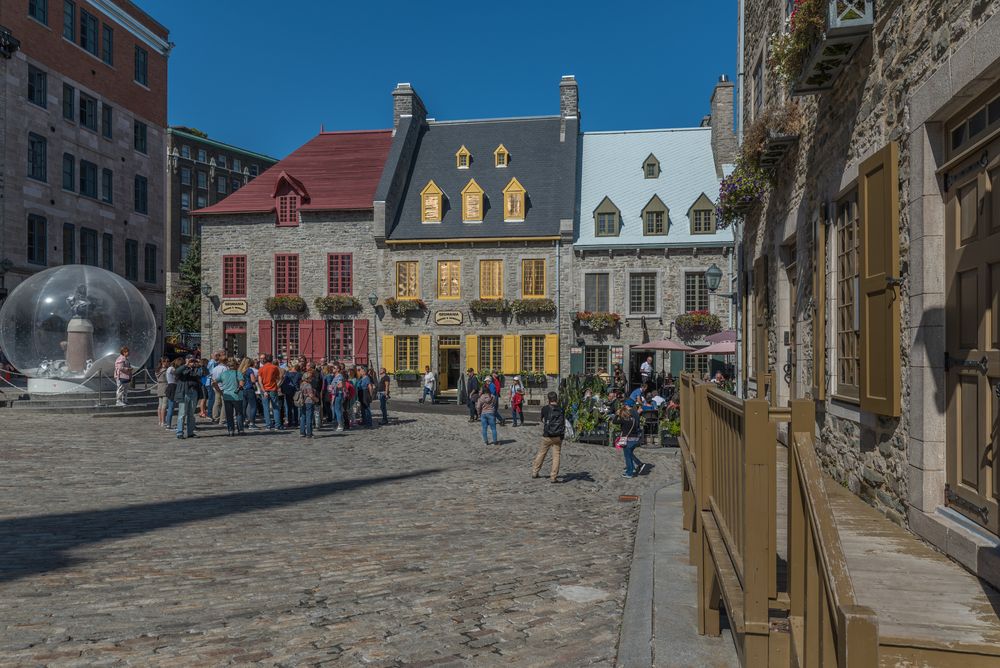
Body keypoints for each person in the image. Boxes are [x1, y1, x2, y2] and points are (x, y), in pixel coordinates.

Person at [533, 391, 565, 483]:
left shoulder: (545, 408)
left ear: (548, 399)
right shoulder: (561, 409)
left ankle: (535, 472)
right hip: (558, 435)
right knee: (556, 456)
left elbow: (542, 419)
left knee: (541, 453)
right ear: (556, 399)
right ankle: (553, 477)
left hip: (547, 435)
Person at [613, 402, 648, 478]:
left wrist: (616, 414)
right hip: (635, 440)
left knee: (627, 457)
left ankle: (630, 473)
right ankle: (635, 466)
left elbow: (614, 422)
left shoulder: (623, 420)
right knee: (630, 454)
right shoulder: (633, 419)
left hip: (628, 440)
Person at [174, 355, 201, 439]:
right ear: (186, 360)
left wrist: (199, 365)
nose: (192, 362)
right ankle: (179, 432)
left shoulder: (195, 368)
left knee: (191, 414)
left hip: (193, 392)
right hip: (184, 393)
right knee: (182, 414)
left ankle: (190, 432)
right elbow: (177, 372)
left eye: (193, 361)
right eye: (190, 360)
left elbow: (203, 374)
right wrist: (186, 365)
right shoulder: (182, 368)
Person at [216, 358, 245, 437]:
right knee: (239, 414)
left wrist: (219, 391)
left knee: (229, 414)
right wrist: (240, 387)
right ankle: (240, 430)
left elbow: (214, 382)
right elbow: (241, 383)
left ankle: (231, 430)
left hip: (226, 396)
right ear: (235, 365)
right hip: (237, 396)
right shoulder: (238, 373)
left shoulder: (223, 374)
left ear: (228, 366)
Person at [257, 354, 282, 430]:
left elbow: (260, 381)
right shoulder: (274, 368)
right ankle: (277, 425)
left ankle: (268, 425)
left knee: (266, 408)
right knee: (275, 407)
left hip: (264, 389)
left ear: (265, 360)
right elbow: (279, 378)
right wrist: (277, 385)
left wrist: (263, 390)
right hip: (273, 389)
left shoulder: (261, 369)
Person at [239, 357, 259, 430]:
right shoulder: (249, 370)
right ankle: (252, 423)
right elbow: (253, 380)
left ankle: (243, 421)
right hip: (249, 389)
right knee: (253, 406)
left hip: (242, 390)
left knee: (243, 406)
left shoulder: (240, 370)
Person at [298, 370, 317, 438]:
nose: (312, 379)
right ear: (307, 378)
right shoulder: (308, 385)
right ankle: (309, 433)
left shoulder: (301, 384)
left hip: (302, 402)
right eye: (310, 378)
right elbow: (311, 395)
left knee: (303, 417)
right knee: (309, 418)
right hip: (309, 402)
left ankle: (302, 432)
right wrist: (316, 400)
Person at [209, 351, 227, 424]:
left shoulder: (215, 368)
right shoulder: (225, 368)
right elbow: (225, 378)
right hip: (223, 387)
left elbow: (212, 377)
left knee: (217, 402)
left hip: (216, 386)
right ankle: (222, 419)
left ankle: (215, 417)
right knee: (224, 403)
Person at [154, 356, 170, 426]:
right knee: (164, 405)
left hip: (159, 387)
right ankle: (163, 421)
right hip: (165, 386)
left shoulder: (157, 370)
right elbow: (168, 379)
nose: (168, 363)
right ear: (163, 362)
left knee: (160, 405)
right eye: (167, 361)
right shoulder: (165, 370)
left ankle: (160, 421)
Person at [164, 357, 179, 429]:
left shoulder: (170, 368)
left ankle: (168, 422)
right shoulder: (172, 369)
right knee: (171, 407)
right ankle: (168, 423)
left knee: (171, 406)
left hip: (171, 386)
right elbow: (177, 375)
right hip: (172, 386)